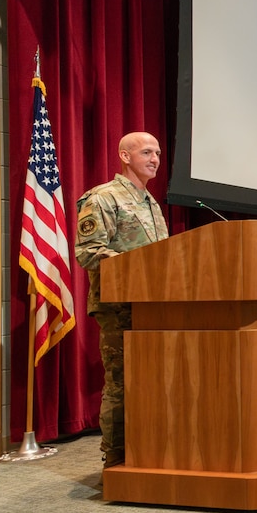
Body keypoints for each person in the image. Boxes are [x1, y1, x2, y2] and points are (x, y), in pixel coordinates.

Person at [75, 131, 169, 468]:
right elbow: (88, 252)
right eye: (146, 152)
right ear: (125, 156)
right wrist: (135, 269)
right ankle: (115, 458)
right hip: (119, 307)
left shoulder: (151, 202)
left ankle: (149, 449)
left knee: (153, 379)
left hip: (154, 307)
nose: (155, 158)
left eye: (157, 152)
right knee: (122, 380)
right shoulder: (103, 198)